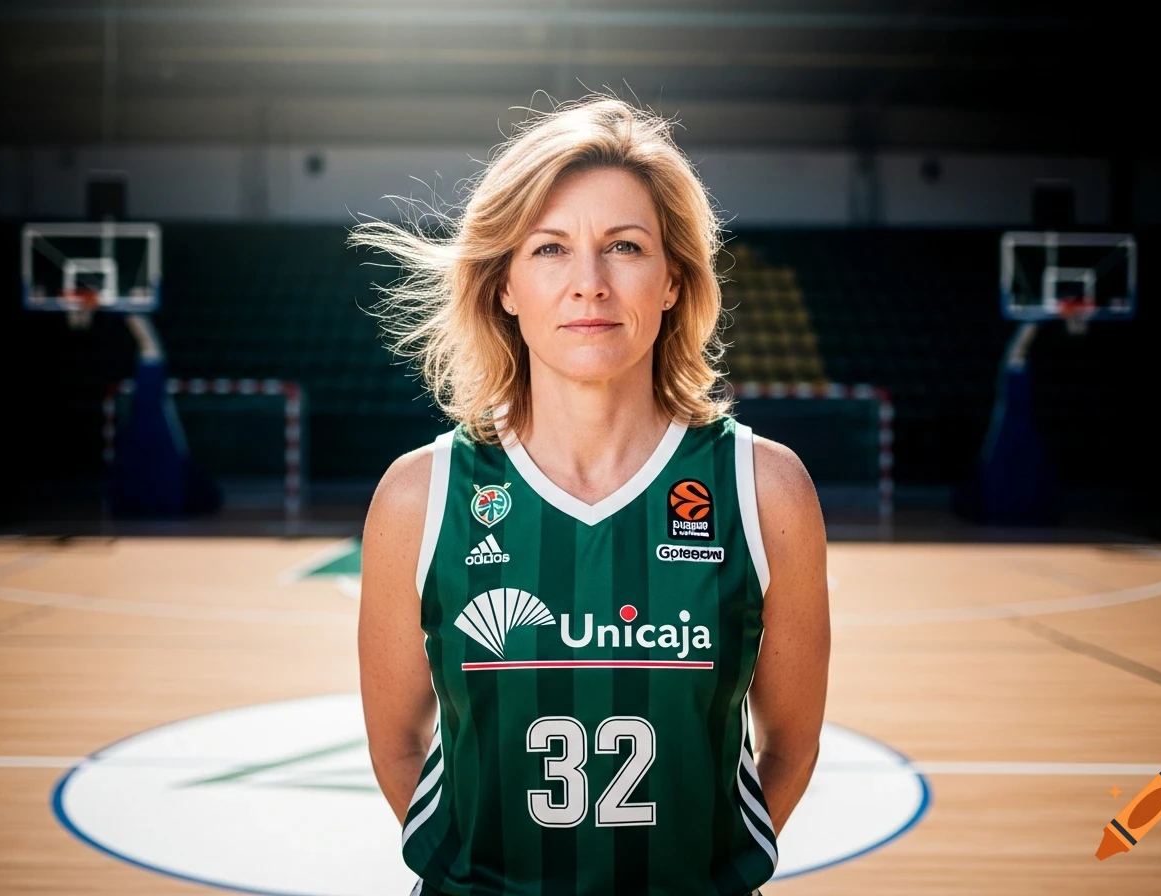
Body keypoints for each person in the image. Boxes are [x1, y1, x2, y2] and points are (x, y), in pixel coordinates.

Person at [354, 96, 830, 896]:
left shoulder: (764, 488)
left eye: (625, 247)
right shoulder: (420, 495)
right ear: (503, 284)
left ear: (674, 280)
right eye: (549, 249)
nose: (589, 284)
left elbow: (790, 744)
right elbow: (399, 741)